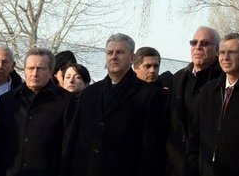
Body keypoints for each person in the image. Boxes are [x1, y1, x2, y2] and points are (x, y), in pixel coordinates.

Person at [62, 33, 168, 176]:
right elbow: (73, 137)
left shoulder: (149, 95)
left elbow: (151, 149)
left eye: (120, 52)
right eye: (110, 53)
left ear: (132, 57)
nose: (113, 56)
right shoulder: (90, 93)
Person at [186, 32, 239, 176]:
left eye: (231, 52)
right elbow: (195, 137)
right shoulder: (208, 90)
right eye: (222, 52)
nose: (225, 58)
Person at [0, 47, 72, 176]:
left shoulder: (66, 102)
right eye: (30, 68)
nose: (34, 73)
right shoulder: (7, 100)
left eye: (40, 68)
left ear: (50, 71)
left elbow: (69, 148)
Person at [168, 26, 222, 176]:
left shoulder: (223, 81)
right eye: (194, 42)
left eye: (205, 43)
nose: (198, 47)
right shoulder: (178, 78)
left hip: (206, 166)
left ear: (217, 50)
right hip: (176, 165)